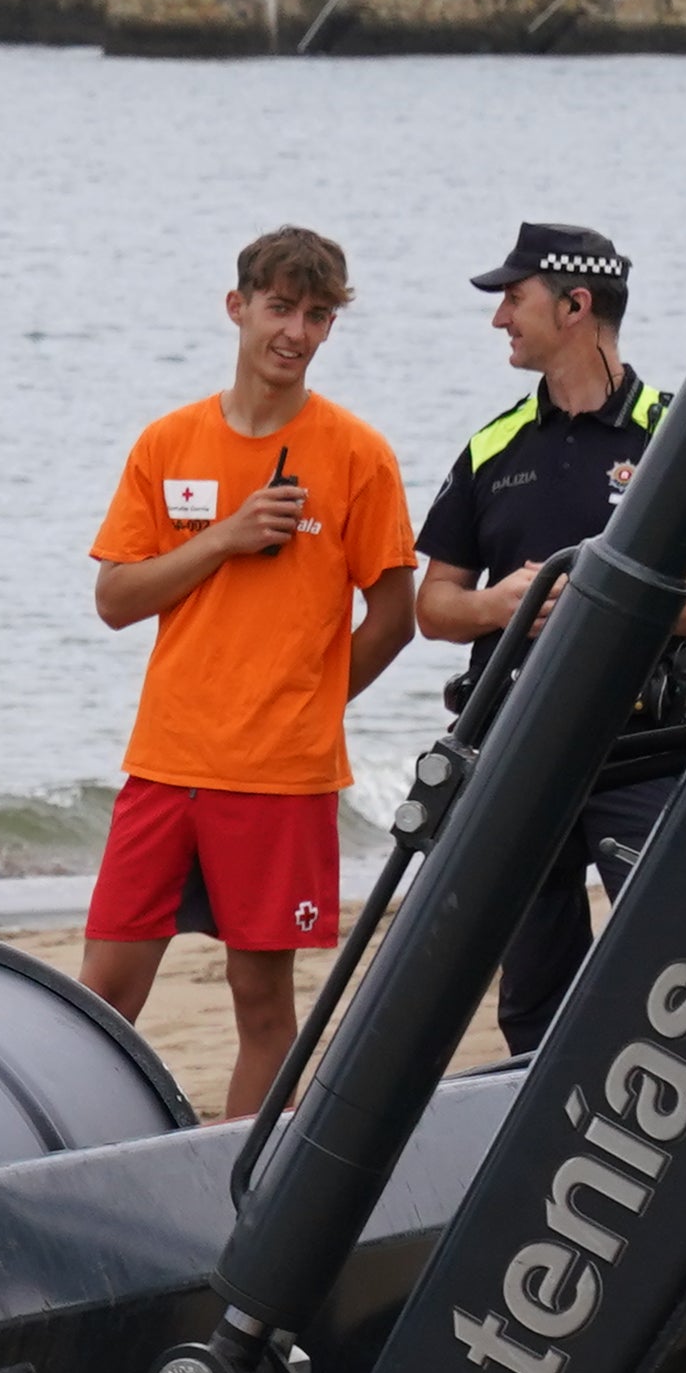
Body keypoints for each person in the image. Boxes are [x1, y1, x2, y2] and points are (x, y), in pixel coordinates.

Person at [82, 225, 420, 1118]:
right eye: (279, 308)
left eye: (316, 316)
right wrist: (227, 538)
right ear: (238, 308)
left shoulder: (359, 455)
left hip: (281, 779)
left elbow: (397, 616)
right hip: (165, 763)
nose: (295, 333)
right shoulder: (168, 442)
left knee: (262, 1005)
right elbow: (116, 599)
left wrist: (312, 702)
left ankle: (234, 1190)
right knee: (100, 1000)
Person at [415, 222, 686, 1054]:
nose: (500, 317)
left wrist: (602, 602)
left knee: (671, 968)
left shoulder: (677, 434)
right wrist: (503, 604)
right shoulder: (494, 446)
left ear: (576, 305)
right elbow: (434, 607)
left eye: (514, 297)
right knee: (530, 996)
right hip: (514, 754)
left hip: (642, 753)